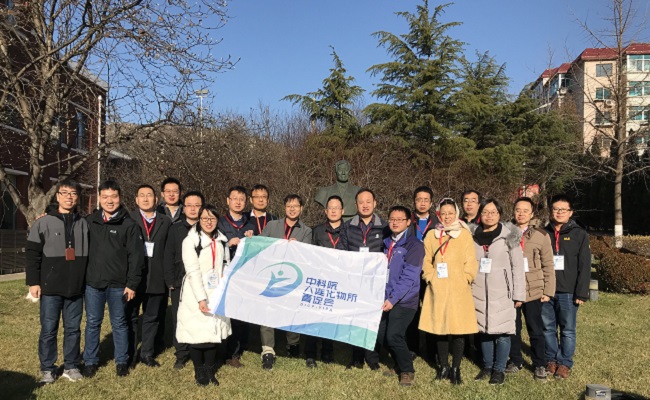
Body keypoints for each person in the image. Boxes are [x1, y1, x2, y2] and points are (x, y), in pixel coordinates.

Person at [26, 179, 89, 384]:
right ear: (57, 196)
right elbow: (32, 254)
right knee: (48, 330)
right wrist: (34, 282)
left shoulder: (84, 223)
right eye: (65, 193)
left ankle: (71, 366)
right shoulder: (43, 222)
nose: (69, 197)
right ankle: (47, 368)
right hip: (50, 288)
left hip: (76, 288)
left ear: (78, 197)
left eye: (73, 193)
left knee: (73, 329)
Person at [83, 180, 144, 378]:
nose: (110, 201)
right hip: (94, 284)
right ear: (99, 199)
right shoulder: (90, 221)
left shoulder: (129, 224)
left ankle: (121, 361)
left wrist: (132, 284)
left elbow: (136, 258)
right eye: (105, 197)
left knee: (119, 323)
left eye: (114, 197)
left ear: (120, 198)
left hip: (119, 286)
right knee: (93, 323)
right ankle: (90, 361)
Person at [419, 198, 478, 385]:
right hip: (438, 288)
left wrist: (467, 277)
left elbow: (471, 261)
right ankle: (443, 366)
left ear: (456, 214)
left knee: (459, 329)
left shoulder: (464, 234)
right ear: (438, 214)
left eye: (450, 213)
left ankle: (456, 368)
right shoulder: (432, 235)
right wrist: (430, 277)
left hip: (459, 289)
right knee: (440, 328)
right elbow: (426, 260)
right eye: (443, 213)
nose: (447, 217)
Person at [471, 198, 525, 385]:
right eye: (485, 212)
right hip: (478, 291)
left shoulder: (509, 237)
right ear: (480, 214)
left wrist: (519, 294)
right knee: (484, 330)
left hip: (503, 292)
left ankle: (499, 370)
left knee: (503, 332)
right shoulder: (472, 236)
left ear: (500, 214)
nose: (489, 216)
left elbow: (518, 267)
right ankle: (487, 366)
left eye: (493, 212)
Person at [177, 204, 231, 386]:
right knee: (197, 334)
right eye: (205, 218)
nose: (209, 222)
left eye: (212, 218)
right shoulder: (190, 241)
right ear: (199, 220)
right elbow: (192, 271)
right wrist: (201, 298)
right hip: (196, 292)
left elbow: (226, 264)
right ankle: (199, 370)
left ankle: (210, 369)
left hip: (216, 292)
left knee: (212, 334)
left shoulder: (221, 240)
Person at [337, 188, 389, 370]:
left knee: (373, 319)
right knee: (355, 318)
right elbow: (342, 251)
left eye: (368, 201)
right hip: (355, 281)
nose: (365, 205)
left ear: (375, 203)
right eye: (361, 202)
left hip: (375, 282)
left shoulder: (385, 227)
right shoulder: (347, 226)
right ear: (356, 205)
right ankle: (356, 357)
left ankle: (372, 357)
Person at [259, 194, 312, 370]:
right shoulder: (272, 226)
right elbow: (261, 246)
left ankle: (293, 344)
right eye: (289, 206)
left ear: (301, 208)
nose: (292, 209)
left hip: (293, 278)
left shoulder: (306, 231)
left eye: (295, 206)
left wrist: (299, 248)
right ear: (284, 208)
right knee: (267, 312)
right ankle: (268, 351)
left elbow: (307, 256)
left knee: (292, 312)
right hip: (271, 276)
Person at [506, 197, 556, 381]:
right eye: (518, 210)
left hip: (533, 290)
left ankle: (539, 364)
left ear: (532, 213)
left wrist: (548, 291)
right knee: (513, 328)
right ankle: (515, 360)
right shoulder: (505, 232)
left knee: (535, 329)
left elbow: (548, 264)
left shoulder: (541, 235)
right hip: (512, 289)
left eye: (525, 210)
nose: (521, 214)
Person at [542, 194, 591, 380]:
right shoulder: (543, 233)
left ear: (570, 212)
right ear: (551, 211)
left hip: (568, 291)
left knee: (568, 330)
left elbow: (584, 265)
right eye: (555, 209)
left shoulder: (579, 234)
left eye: (563, 209)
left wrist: (581, 292)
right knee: (548, 328)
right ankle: (551, 360)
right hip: (546, 291)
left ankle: (564, 363)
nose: (559, 212)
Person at [374, 206, 423, 387]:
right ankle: (399, 361)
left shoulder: (414, 245)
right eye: (392, 219)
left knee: (393, 335)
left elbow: (409, 277)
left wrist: (393, 299)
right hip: (385, 297)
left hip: (404, 300)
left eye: (400, 219)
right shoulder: (387, 242)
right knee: (381, 335)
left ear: (408, 222)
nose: (395, 222)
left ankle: (407, 370)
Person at [127, 184, 171, 368]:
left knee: (152, 317)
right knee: (131, 317)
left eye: (149, 195)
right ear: (136, 199)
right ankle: (129, 354)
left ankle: (146, 353)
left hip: (157, 277)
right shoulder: (128, 219)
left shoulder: (165, 221)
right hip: (134, 278)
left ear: (156, 199)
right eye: (142, 195)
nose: (146, 199)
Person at [163, 190, 205, 369]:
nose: (193, 209)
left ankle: (199, 351)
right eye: (189, 205)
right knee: (179, 318)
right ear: (184, 207)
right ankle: (181, 354)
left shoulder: (208, 228)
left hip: (202, 282)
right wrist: (170, 281)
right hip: (180, 282)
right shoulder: (176, 228)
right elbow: (168, 256)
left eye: (197, 205)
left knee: (201, 317)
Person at [306, 195, 344, 368]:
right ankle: (310, 353)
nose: (333, 211)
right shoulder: (317, 231)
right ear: (325, 211)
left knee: (331, 316)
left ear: (342, 211)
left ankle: (328, 351)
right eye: (330, 208)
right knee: (314, 317)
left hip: (338, 280)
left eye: (337, 208)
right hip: (319, 280)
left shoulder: (348, 231)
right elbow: (310, 253)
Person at [218, 186, 254, 368]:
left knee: (239, 315)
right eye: (234, 198)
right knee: (222, 313)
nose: (238, 202)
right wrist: (227, 244)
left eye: (241, 199)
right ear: (228, 201)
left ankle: (235, 352)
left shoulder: (250, 225)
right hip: (223, 274)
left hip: (243, 277)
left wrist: (252, 240)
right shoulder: (219, 223)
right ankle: (220, 350)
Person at [406, 186, 439, 360]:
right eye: (419, 199)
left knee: (431, 309)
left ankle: (432, 349)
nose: (422, 203)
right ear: (414, 201)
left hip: (431, 272)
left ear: (431, 203)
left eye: (426, 200)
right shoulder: (406, 220)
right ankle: (412, 347)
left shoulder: (438, 223)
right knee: (412, 310)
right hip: (411, 271)